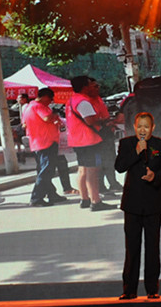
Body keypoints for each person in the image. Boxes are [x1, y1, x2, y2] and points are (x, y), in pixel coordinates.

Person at [115, 112, 161, 300]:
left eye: (146, 127)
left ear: (152, 128)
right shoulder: (126, 144)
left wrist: (155, 176)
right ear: (134, 127)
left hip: (153, 203)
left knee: (152, 248)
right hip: (132, 204)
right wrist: (137, 152)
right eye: (139, 126)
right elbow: (119, 167)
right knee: (132, 248)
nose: (142, 130)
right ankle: (129, 289)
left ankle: (152, 289)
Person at [65, 76, 115, 211]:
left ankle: (84, 199)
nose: (93, 87)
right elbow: (90, 121)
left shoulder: (72, 100)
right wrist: (103, 121)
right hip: (89, 140)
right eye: (90, 85)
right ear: (84, 87)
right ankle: (96, 201)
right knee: (93, 170)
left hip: (78, 140)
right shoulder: (84, 102)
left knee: (82, 169)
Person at [21, 88, 66, 207]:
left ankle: (51, 194)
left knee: (45, 170)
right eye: (50, 98)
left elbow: (24, 124)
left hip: (38, 142)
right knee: (46, 171)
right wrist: (55, 115)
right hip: (46, 142)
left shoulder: (28, 107)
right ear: (45, 96)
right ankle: (36, 198)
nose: (51, 101)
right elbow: (46, 118)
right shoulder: (39, 106)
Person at [87, 78, 122, 193]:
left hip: (107, 132)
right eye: (95, 86)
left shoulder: (98, 99)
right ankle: (100, 185)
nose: (98, 88)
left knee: (110, 159)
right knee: (100, 161)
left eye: (98, 86)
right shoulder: (87, 102)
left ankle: (113, 182)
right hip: (97, 133)